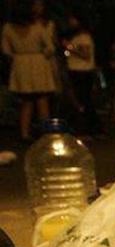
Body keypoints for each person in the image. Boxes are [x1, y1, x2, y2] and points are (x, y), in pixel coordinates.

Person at [1, 0, 56, 141]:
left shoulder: (7, 28)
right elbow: (50, 47)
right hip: (38, 62)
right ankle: (45, 133)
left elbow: (6, 50)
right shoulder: (37, 27)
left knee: (27, 101)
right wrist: (44, 55)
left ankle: (24, 133)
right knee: (42, 100)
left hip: (20, 64)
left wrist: (17, 58)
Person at [63, 12, 102, 136]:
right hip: (77, 70)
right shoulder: (77, 37)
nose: (70, 22)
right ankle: (89, 128)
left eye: (72, 20)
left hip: (82, 71)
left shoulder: (84, 38)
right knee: (82, 100)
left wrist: (69, 48)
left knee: (83, 101)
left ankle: (91, 128)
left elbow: (85, 55)